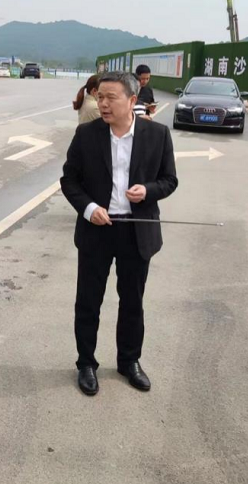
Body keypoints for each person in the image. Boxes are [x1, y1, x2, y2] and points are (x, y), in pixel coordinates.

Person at [60, 71, 178, 396]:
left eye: (111, 98)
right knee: (88, 301)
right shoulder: (87, 134)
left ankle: (129, 361)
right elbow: (69, 180)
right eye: (100, 97)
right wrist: (89, 208)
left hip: (136, 230)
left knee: (132, 302)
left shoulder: (157, 135)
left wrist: (148, 191)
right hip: (97, 229)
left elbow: (169, 180)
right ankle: (86, 363)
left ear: (132, 100)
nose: (103, 104)